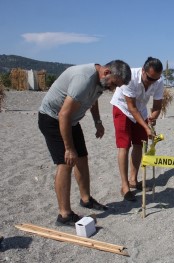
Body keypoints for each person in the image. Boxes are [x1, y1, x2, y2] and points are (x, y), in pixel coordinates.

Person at [38, 60, 131, 226]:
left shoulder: (100, 81)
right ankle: (64, 215)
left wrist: (98, 122)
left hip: (71, 121)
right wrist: (68, 148)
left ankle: (86, 199)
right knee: (66, 162)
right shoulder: (84, 79)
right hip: (53, 119)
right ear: (107, 72)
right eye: (114, 84)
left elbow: (92, 100)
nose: (113, 89)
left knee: (82, 158)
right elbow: (63, 115)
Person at [110, 57, 164, 201]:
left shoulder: (158, 81)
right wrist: (146, 127)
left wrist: (153, 117)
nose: (152, 82)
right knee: (124, 145)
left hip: (141, 110)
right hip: (122, 108)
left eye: (156, 79)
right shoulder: (130, 77)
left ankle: (133, 180)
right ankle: (125, 186)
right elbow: (131, 107)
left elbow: (158, 106)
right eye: (150, 78)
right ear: (143, 70)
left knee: (140, 144)